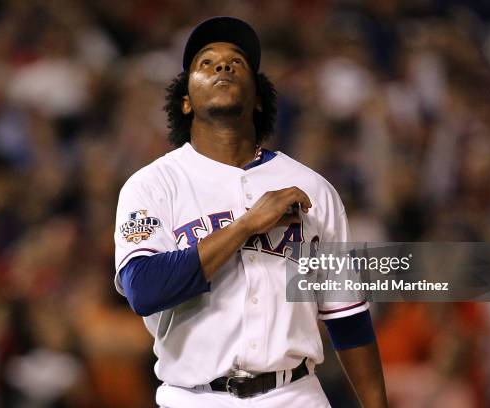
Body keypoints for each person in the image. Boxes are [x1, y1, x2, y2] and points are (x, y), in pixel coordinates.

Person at [113, 16, 388, 408]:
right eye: (205, 63)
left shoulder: (313, 189)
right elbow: (144, 288)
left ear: (258, 97)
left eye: (236, 62)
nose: (222, 66)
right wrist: (245, 226)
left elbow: (346, 316)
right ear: (186, 101)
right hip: (194, 398)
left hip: (295, 394)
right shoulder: (153, 185)